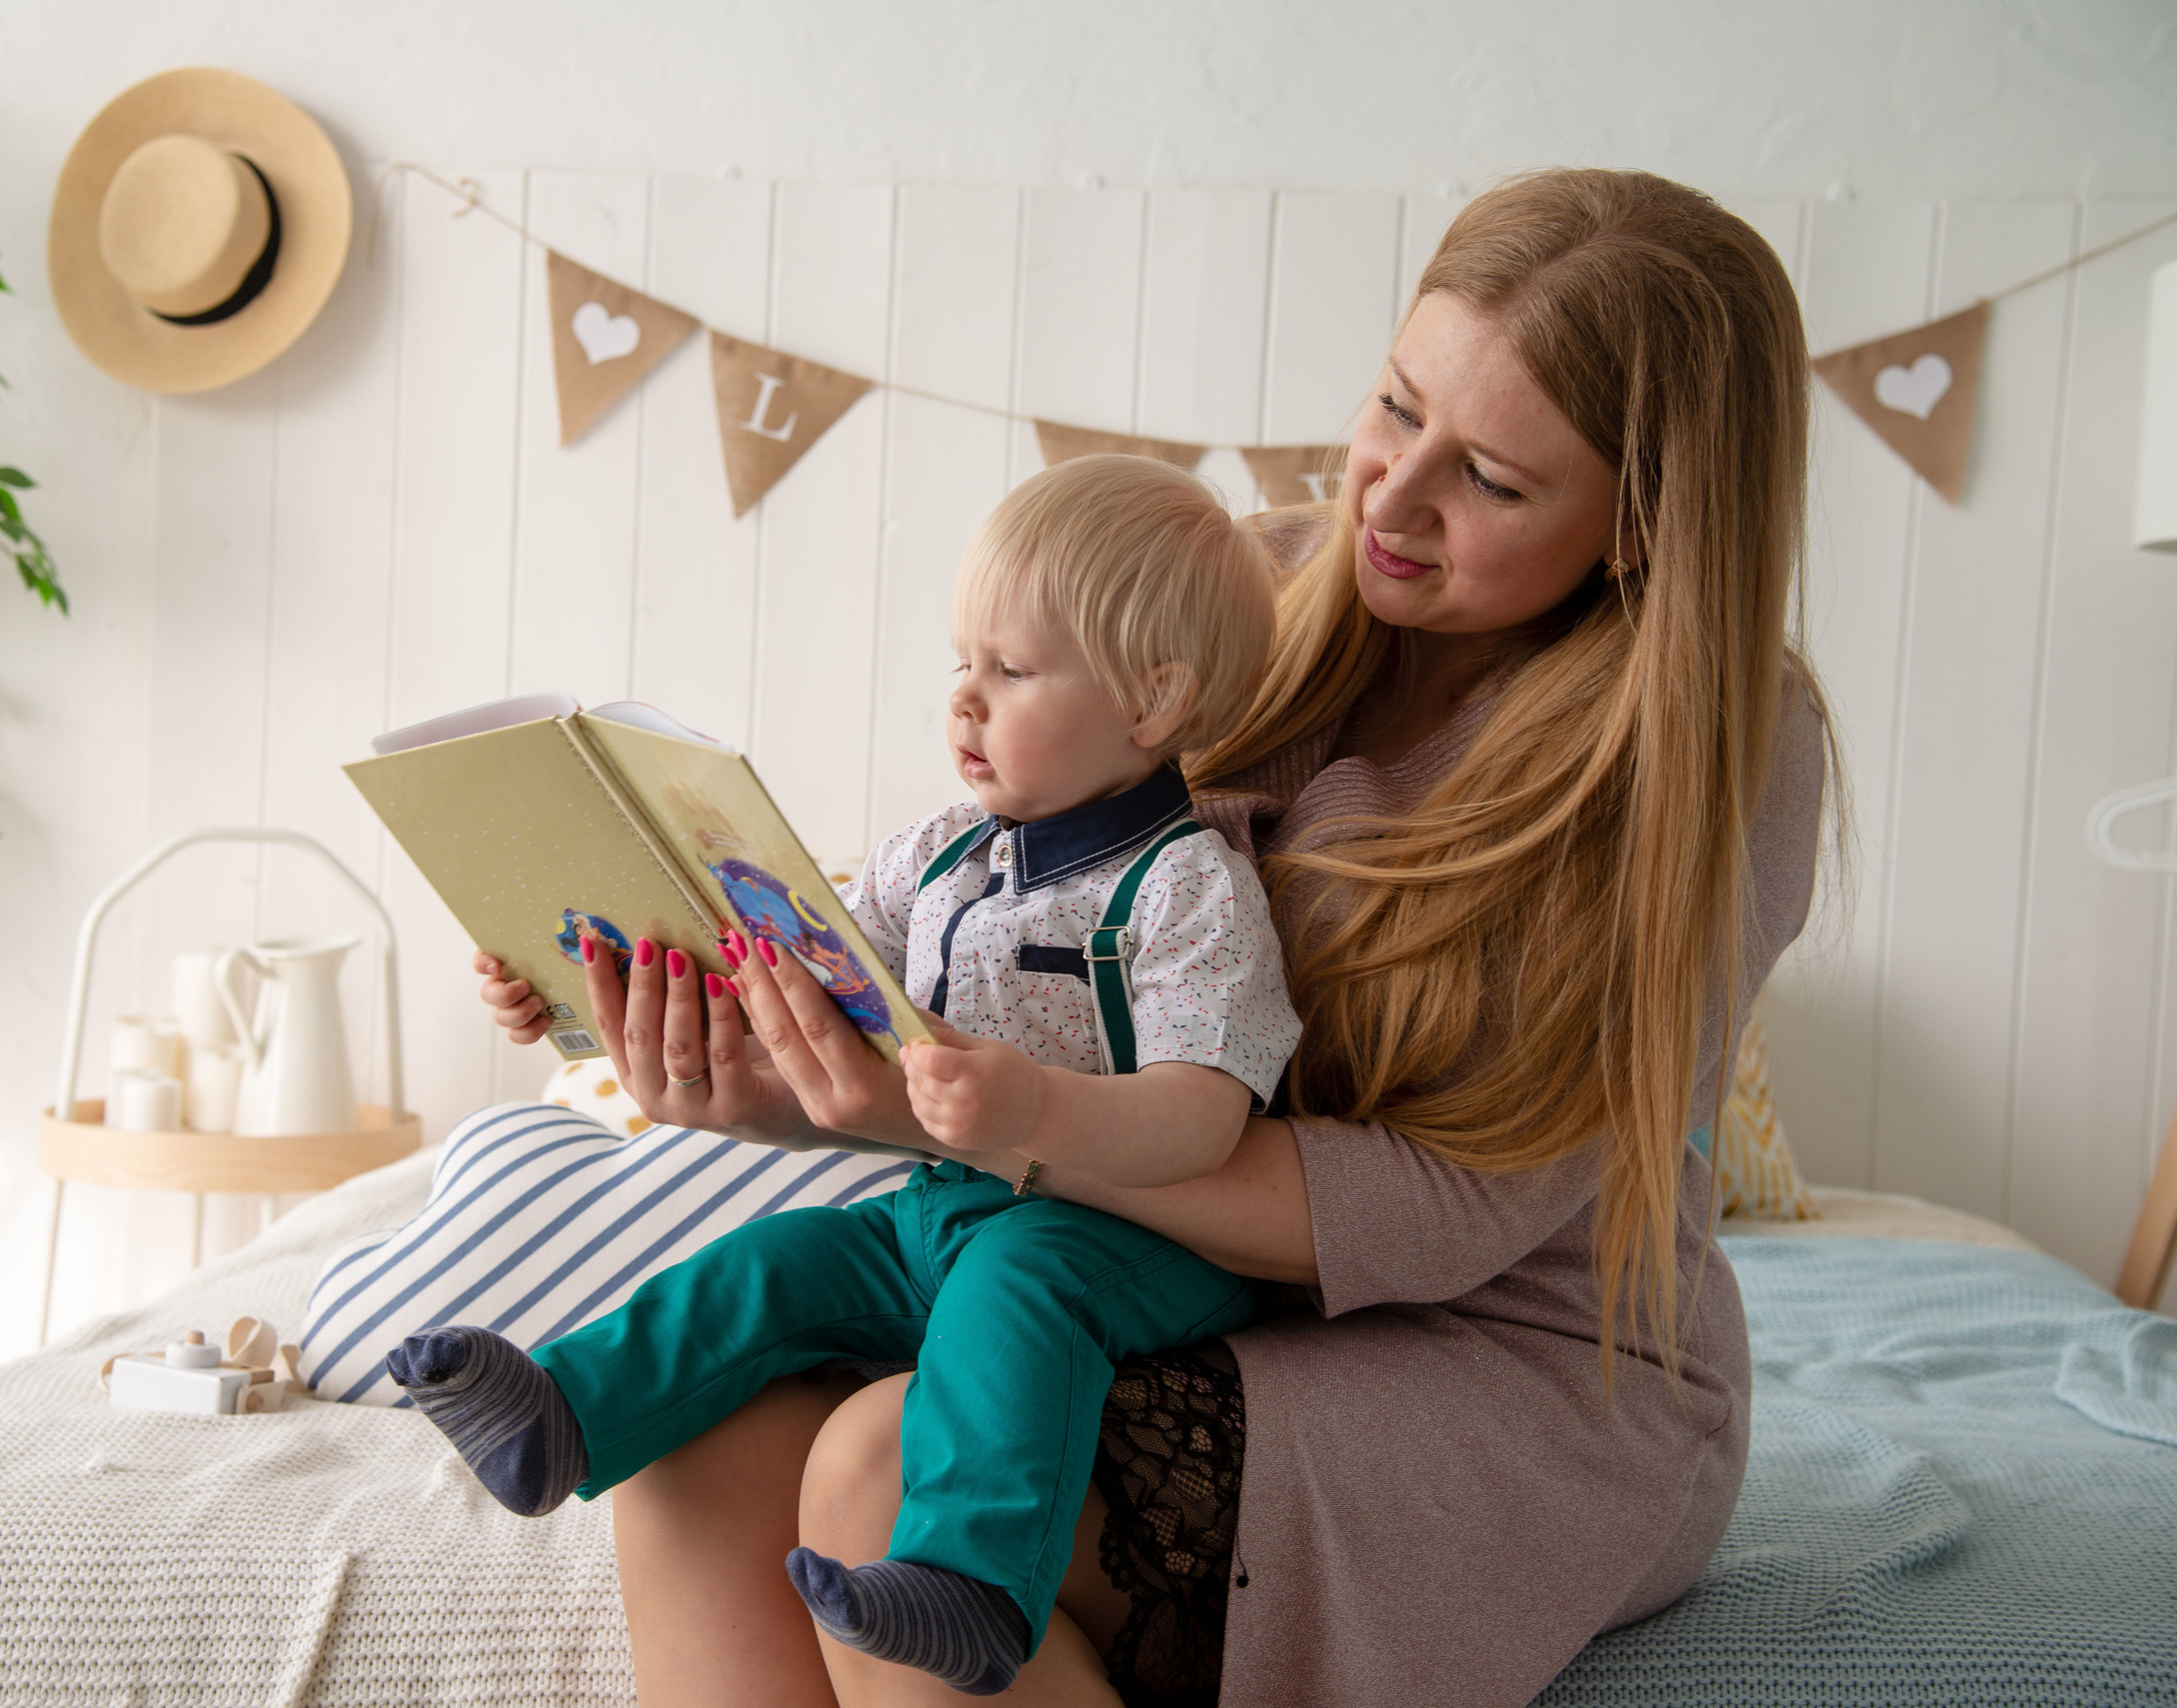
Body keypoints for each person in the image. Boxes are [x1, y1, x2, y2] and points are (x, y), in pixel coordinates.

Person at [481, 167, 1834, 1707]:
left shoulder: (1715, 747)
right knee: (692, 1439)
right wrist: (761, 1075)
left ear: (1643, 524)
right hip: (1131, 1240)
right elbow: (987, 996)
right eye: (1396, 409)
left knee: (879, 1465)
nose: (1389, 498)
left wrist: (1000, 1137)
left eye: (1495, 483)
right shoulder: (1238, 586)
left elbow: (1448, 1213)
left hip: (1509, 1352)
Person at [410, 454, 1300, 1696]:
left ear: (1154, 700)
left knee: (1017, 1285)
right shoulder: (934, 859)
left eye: (1013, 670)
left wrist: (1040, 1107)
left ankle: (972, 1583)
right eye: (960, 665)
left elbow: (1207, 1115)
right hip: (945, 1205)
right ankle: (566, 1410)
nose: (965, 704)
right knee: (776, 1262)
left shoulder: (1190, 887)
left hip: (1115, 1236)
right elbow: (810, 1000)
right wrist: (581, 974)